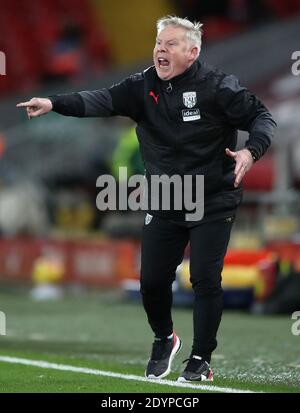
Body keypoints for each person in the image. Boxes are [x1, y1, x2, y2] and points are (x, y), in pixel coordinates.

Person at [17, 16, 277, 382]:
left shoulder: (218, 87)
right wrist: (53, 102)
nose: (160, 50)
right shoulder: (141, 86)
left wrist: (251, 151)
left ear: (192, 51)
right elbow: (101, 99)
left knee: (205, 277)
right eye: (159, 43)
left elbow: (262, 117)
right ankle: (164, 338)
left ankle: (201, 360)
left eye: (171, 44)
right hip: (165, 197)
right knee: (152, 282)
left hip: (213, 196)